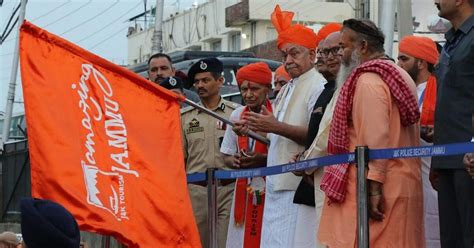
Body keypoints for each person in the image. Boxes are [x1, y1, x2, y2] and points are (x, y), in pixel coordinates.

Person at [317, 19, 423, 247]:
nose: (340, 55)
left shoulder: (368, 81)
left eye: (343, 47)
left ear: (362, 47)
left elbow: (375, 141)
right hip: (401, 183)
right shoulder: (399, 74)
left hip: (379, 190)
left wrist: (373, 189)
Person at [242, 5, 325, 247]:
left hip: (296, 187)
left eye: (294, 54)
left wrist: (275, 126)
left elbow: (316, 138)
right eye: (284, 55)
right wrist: (253, 130)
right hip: (276, 184)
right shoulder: (288, 86)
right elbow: (279, 137)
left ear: (313, 54)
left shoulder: (317, 86)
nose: (288, 61)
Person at [181, 58, 240, 248]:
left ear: (220, 81)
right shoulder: (185, 118)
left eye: (205, 80)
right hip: (197, 192)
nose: (200, 85)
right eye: (197, 82)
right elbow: (181, 159)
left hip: (227, 190)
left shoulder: (235, 113)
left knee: (226, 243)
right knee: (198, 243)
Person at [291, 30, 342, 248]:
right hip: (312, 181)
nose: (323, 57)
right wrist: (305, 158)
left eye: (332, 51)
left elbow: (328, 136)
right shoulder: (326, 89)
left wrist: (307, 162)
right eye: (321, 51)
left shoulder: (344, 88)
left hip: (331, 182)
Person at [431, 1, 474, 247]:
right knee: (451, 239)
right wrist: (438, 156)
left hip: (469, 161)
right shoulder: (452, 40)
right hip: (448, 157)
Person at [220, 62, 272, 248]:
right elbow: (226, 154)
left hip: (272, 189)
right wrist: (233, 161)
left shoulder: (277, 113)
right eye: (243, 89)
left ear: (268, 89)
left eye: (254, 89)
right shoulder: (236, 115)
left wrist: (263, 159)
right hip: (244, 190)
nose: (248, 94)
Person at [397, 35, 440, 248]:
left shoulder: (441, 90)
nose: (399, 65)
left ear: (421, 63)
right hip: (405, 176)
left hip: (435, 174)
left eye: (404, 59)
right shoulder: (400, 91)